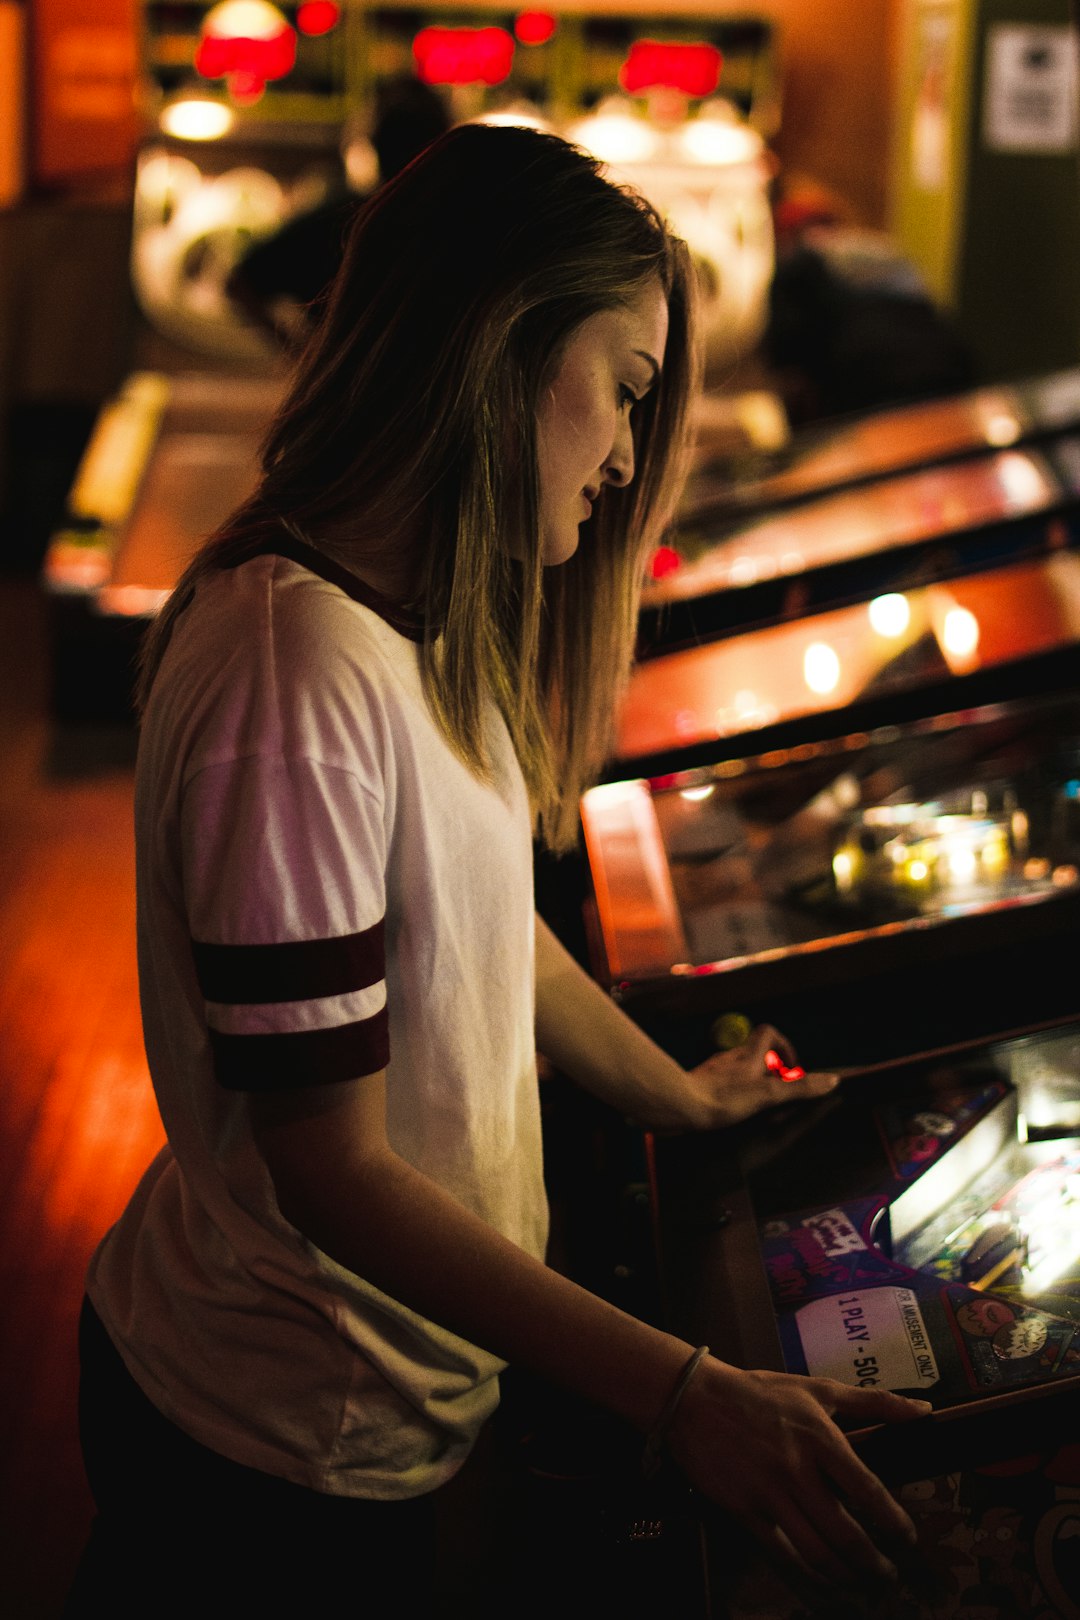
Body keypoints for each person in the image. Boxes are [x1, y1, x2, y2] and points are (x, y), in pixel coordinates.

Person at [66, 123, 930, 1616]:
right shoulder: (297, 680)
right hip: (270, 1440)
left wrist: (674, 1093)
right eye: (624, 393)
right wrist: (685, 1395)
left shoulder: (399, 616)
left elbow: (483, 928)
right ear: (497, 342)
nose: (622, 458)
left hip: (376, 1405)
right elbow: (331, 1169)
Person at [225, 74, 451, 348]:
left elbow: (240, 282)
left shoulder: (340, 218)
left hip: (350, 386)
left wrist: (300, 353)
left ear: (375, 148)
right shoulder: (455, 226)